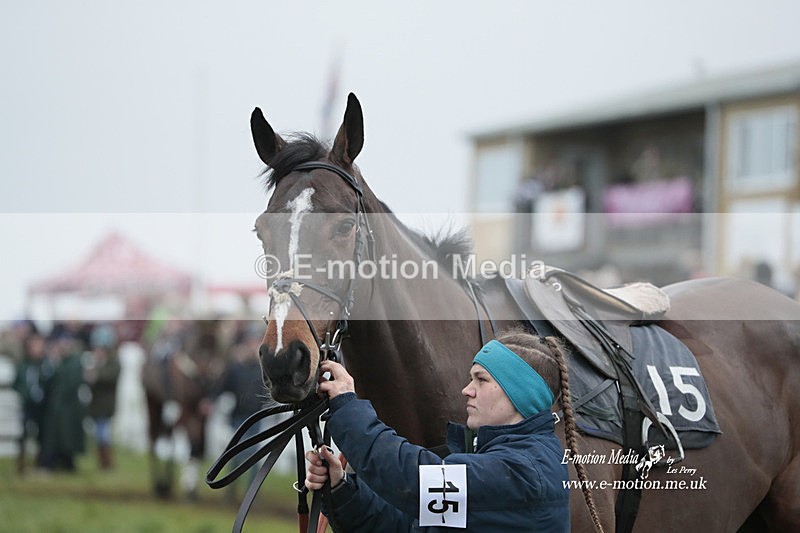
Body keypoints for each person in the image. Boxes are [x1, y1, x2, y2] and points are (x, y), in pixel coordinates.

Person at [304, 331, 571, 532]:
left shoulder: (525, 470)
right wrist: (341, 490)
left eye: (481, 379)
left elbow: (414, 480)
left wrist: (347, 406)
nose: (467, 390)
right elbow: (409, 527)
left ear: (520, 394)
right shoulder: (514, 460)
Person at [84, 323, 121, 470]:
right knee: (100, 434)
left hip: (106, 405)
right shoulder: (97, 362)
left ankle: (107, 463)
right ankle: (103, 463)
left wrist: (96, 374)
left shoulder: (113, 362)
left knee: (103, 434)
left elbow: (109, 377)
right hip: (97, 405)